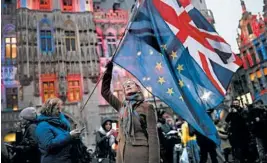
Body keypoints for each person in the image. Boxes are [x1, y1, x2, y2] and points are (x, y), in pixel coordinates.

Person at [101, 62, 160, 163]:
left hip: (141, 155)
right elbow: (105, 92)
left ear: (138, 88)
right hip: (122, 156)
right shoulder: (122, 107)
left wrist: (154, 161)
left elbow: (153, 137)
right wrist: (108, 71)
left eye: (131, 84)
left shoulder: (147, 107)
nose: (127, 85)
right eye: (125, 85)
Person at [35, 98, 81, 163]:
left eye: (60, 109)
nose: (60, 111)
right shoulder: (43, 126)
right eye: (57, 109)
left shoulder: (59, 124)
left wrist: (74, 136)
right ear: (49, 109)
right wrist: (69, 135)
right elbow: (49, 145)